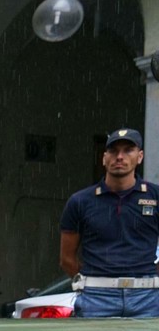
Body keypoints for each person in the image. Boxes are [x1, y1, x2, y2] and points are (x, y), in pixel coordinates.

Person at [59, 128, 159, 317]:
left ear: (140, 156)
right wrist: (94, 281)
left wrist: (148, 279)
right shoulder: (80, 201)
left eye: (128, 150)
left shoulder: (156, 197)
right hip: (96, 298)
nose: (119, 157)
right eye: (113, 151)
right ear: (104, 158)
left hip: (147, 298)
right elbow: (66, 259)